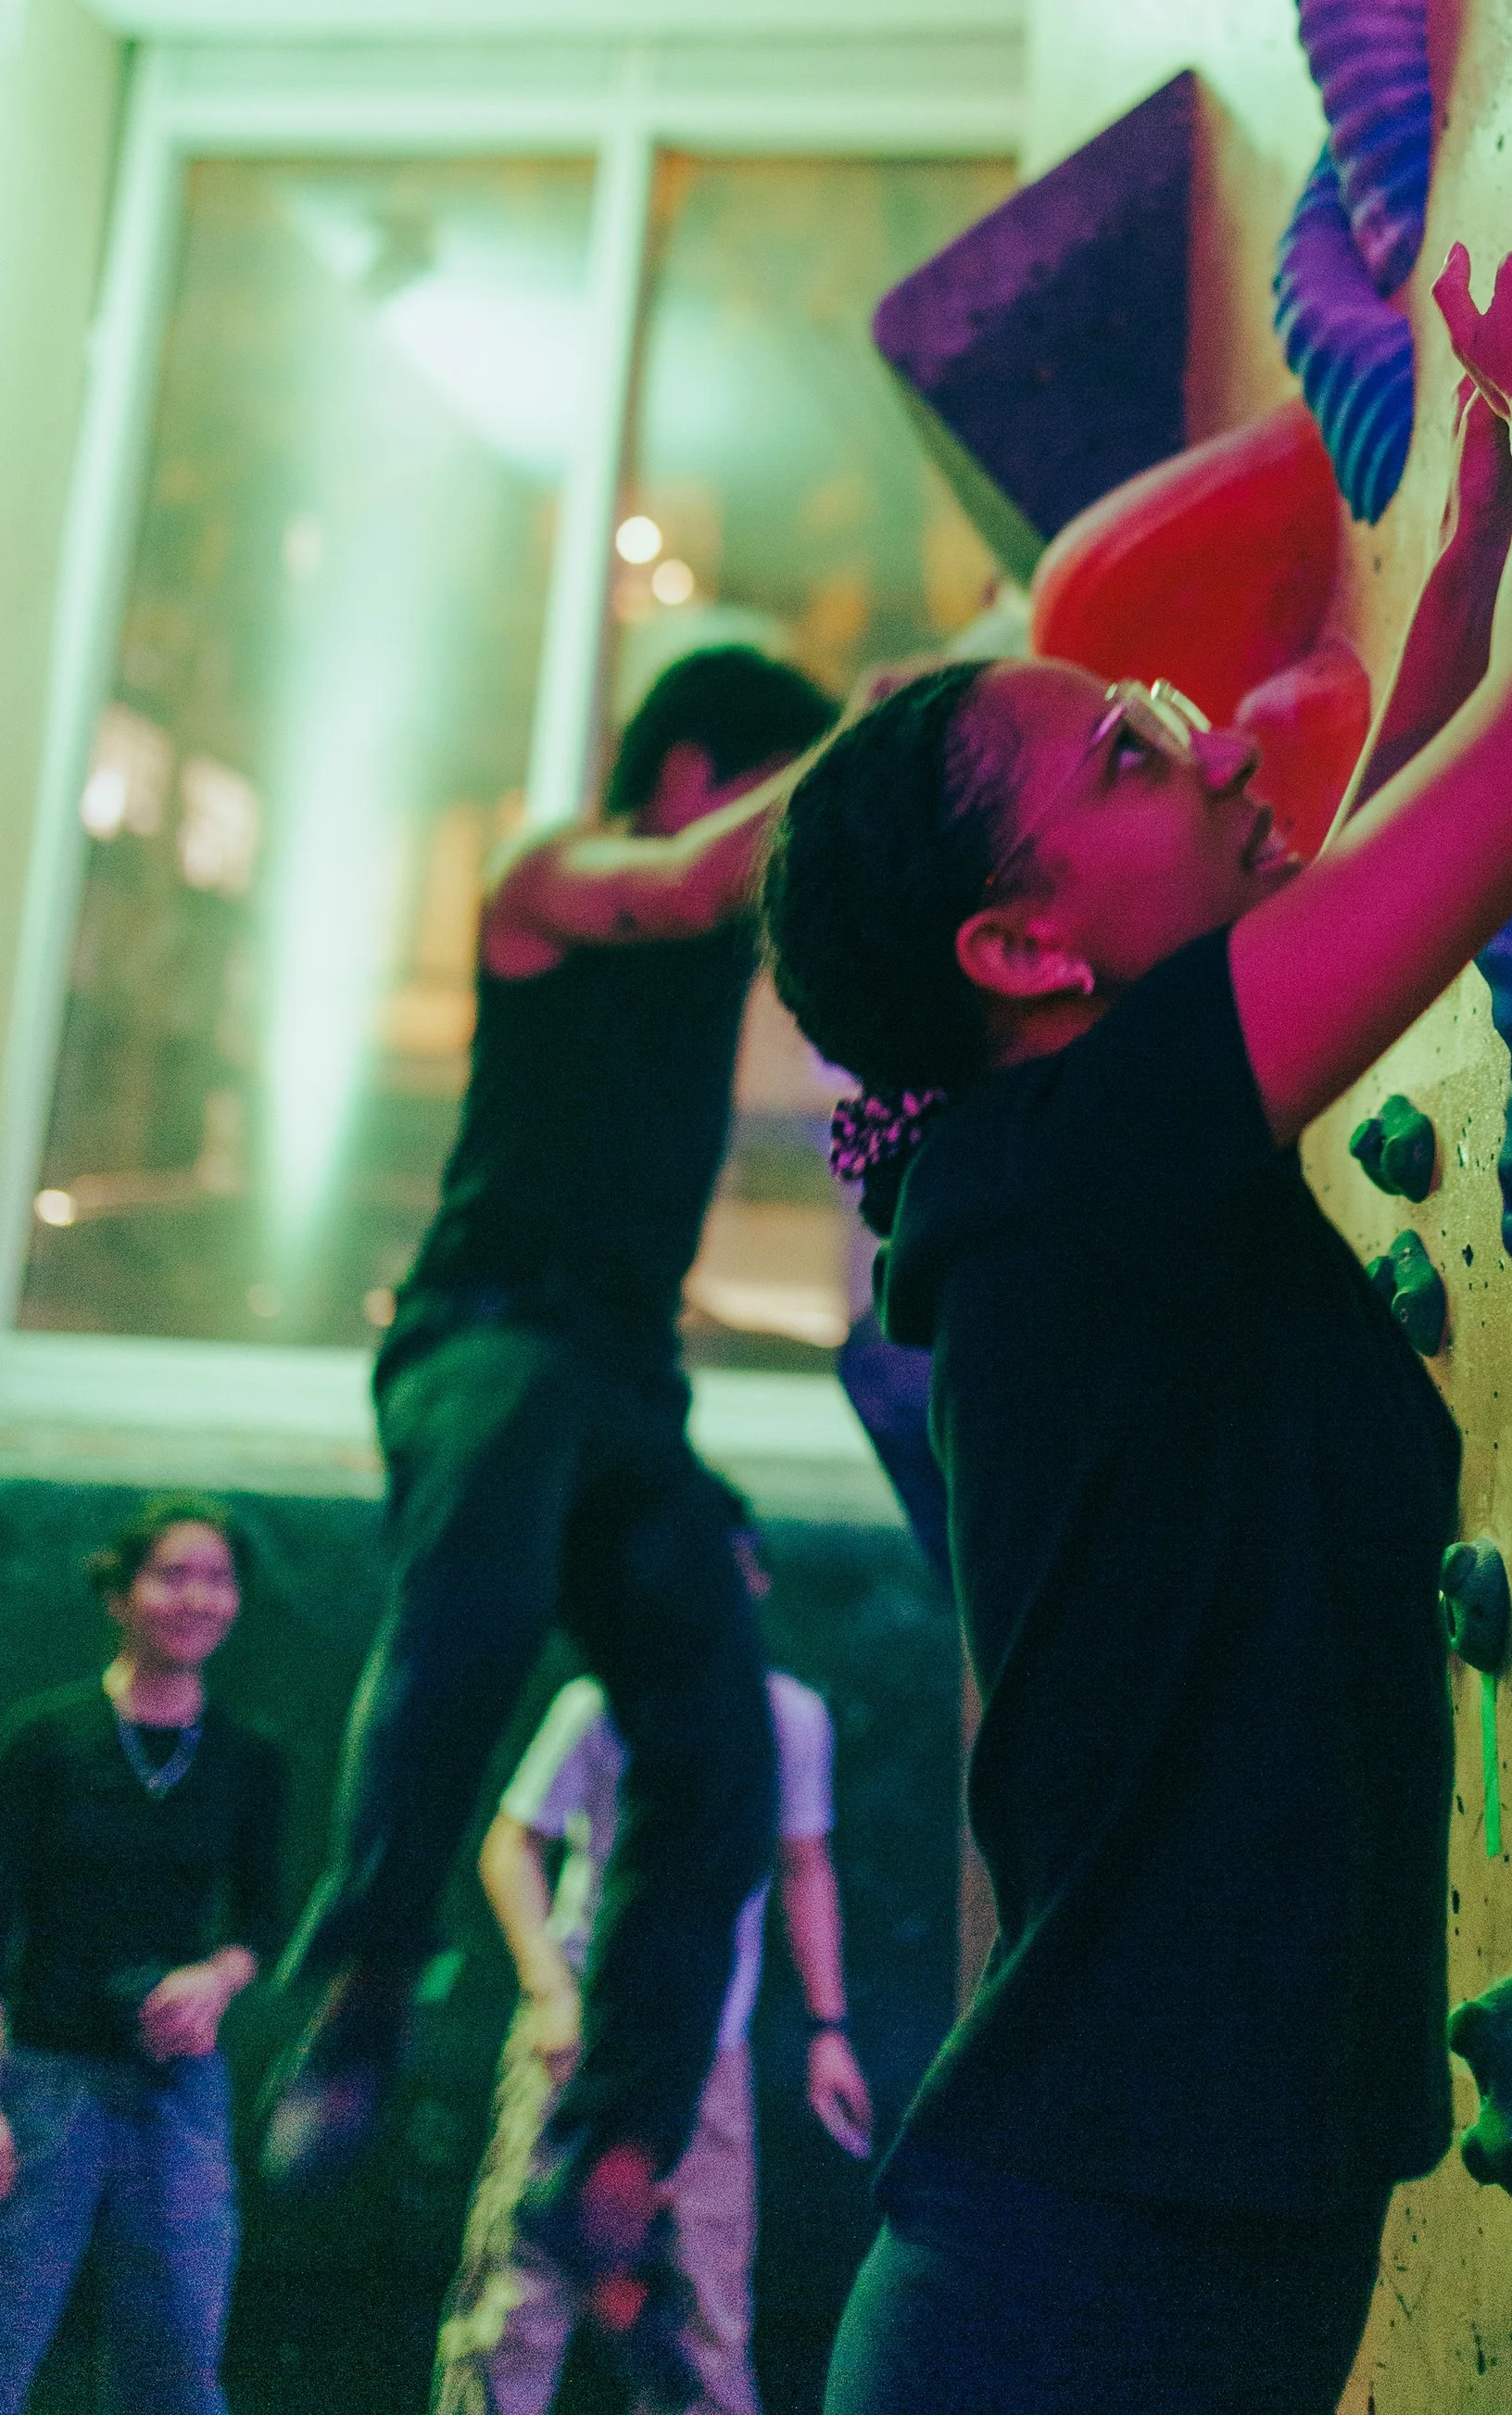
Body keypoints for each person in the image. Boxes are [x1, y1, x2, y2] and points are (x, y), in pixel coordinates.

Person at [759, 242, 1512, 2415]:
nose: (1199, 743)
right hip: (1083, 2281)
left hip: (1132, 2241)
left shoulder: (1070, 1172)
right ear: (1022, 946)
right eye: (1127, 751)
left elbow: (1394, 829)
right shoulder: (1090, 1166)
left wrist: (1464, 549)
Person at [263, 644, 840, 2403]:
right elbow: (679, 882)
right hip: (485, 1338)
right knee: (485, 1568)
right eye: (766, 789)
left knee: (724, 1750)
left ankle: (616, 2147)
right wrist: (877, 739)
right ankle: (366, 1969)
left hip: (626, 1388)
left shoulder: (723, 952)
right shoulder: (548, 878)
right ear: (690, 765)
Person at [434, 1500, 875, 2415]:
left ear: (755, 1582)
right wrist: (548, 1986)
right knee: (521, 2299)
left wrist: (828, 2028)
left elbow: (805, 1864)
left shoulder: (787, 1718)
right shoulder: (600, 1702)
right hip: (577, 2041)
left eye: (731, 1572)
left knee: (708, 2304)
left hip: (708, 2049)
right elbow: (511, 1843)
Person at [0, 1498, 286, 2415]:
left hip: (178, 2084)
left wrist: (217, 1976)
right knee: (7, 2327)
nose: (198, 1597)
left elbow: (264, 1919)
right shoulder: (45, 1740)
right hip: (43, 2074)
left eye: (218, 1577)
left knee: (176, 2355)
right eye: (173, 1574)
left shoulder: (250, 1756)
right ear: (120, 1596)